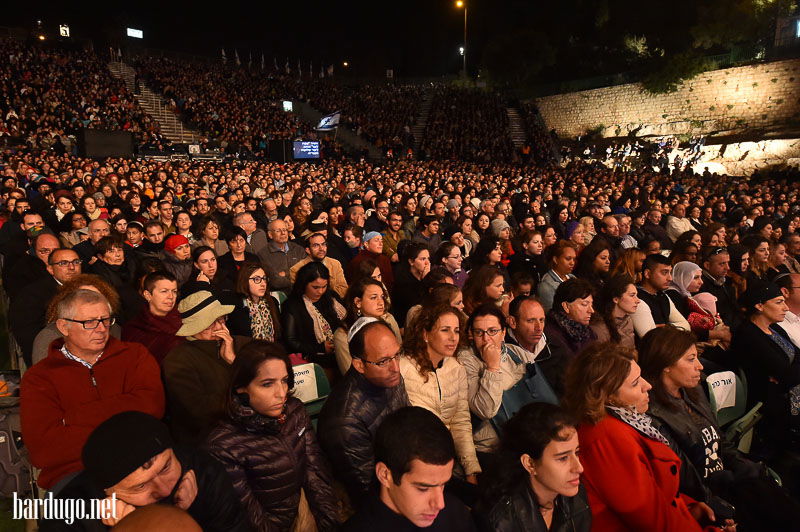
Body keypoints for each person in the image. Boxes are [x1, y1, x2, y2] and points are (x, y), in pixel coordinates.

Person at [639, 326, 800, 531]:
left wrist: (745, 468)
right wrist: (725, 499)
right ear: (665, 364)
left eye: (697, 357)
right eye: (690, 359)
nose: (699, 366)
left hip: (729, 481)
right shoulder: (654, 415)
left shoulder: (692, 391)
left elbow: (721, 442)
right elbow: (687, 478)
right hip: (711, 497)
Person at [564, 343, 733, 531]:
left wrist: (688, 506)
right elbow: (650, 520)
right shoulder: (607, 437)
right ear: (607, 395)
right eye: (636, 383)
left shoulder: (623, 420)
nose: (648, 385)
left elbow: (657, 495)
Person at [20, 289, 165, 490]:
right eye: (89, 322)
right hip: (74, 475)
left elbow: (151, 407)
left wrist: (74, 417)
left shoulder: (135, 355)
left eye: (105, 320)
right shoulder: (39, 378)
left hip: (141, 463)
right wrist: (124, 425)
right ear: (64, 326)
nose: (101, 329)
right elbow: (43, 450)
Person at [206, 340, 339, 531]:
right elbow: (249, 516)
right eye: (267, 384)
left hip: (301, 510)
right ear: (241, 387)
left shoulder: (294, 411)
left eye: (284, 380)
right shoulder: (224, 446)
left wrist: (328, 522)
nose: (281, 393)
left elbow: (314, 469)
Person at [42, 411, 249, 531]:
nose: (165, 489)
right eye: (141, 485)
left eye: (166, 467)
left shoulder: (203, 470)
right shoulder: (67, 515)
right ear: (108, 492)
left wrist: (192, 512)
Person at [318, 318, 409, 503]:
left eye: (397, 355)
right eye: (383, 361)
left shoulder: (388, 377)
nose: (396, 368)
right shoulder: (344, 421)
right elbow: (366, 491)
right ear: (359, 364)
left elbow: (409, 426)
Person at [342, 406, 477, 531]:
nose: (440, 503)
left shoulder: (457, 515)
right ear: (384, 475)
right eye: (423, 489)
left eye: (443, 485)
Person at [474, 403, 591, 532]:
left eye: (577, 453)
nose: (579, 468)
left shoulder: (576, 494)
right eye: (563, 458)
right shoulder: (499, 521)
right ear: (529, 463)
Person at [458, 303, 557, 455]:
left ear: (503, 333)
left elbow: (542, 395)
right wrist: (492, 367)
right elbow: (486, 410)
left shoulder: (516, 353)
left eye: (492, 331)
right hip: (493, 448)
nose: (486, 339)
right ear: (471, 334)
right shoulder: (466, 361)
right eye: (479, 332)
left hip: (527, 438)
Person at [399, 304, 481, 482]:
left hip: (450, 457)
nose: (453, 338)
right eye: (445, 330)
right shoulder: (404, 369)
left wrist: (471, 469)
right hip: (418, 461)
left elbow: (461, 422)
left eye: (457, 331)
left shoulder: (457, 368)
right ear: (425, 334)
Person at [163, 290, 250, 444]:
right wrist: (242, 393)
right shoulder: (178, 360)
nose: (219, 327)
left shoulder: (242, 344)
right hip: (210, 439)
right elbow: (198, 410)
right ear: (193, 328)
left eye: (222, 319)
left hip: (248, 427)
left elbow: (265, 381)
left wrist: (233, 361)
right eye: (210, 323)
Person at [729, 281, 800, 458]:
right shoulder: (748, 334)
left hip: (787, 392)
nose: (785, 307)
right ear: (759, 305)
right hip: (770, 403)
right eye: (778, 302)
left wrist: (786, 372)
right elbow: (786, 375)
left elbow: (794, 362)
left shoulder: (773, 328)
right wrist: (786, 373)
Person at [282, 261, 346, 371]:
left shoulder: (331, 297)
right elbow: (291, 341)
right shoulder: (292, 305)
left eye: (324, 286)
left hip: (340, 350)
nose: (320, 291)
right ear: (304, 284)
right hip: (314, 359)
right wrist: (320, 347)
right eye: (315, 287)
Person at [333, 277, 401, 375]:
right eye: (373, 297)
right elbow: (350, 373)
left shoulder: (389, 319)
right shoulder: (342, 335)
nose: (381, 302)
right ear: (358, 302)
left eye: (382, 297)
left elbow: (399, 354)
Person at [122, 271, 183, 365]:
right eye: (164, 291)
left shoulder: (184, 321)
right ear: (148, 295)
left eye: (174, 291)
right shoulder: (133, 329)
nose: (171, 297)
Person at [665, 261, 731, 346]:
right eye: (695, 277)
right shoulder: (674, 296)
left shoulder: (683, 294)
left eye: (700, 277)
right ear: (682, 277)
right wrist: (719, 334)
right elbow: (686, 330)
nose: (701, 282)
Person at [632, 253, 691, 338]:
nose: (670, 278)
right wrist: (671, 327)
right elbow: (650, 337)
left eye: (670, 272)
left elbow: (686, 326)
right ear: (647, 274)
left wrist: (665, 327)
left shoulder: (663, 295)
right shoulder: (635, 298)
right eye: (664, 272)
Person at [226, 261, 282, 342]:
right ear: (244, 280)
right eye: (257, 279)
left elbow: (279, 335)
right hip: (248, 352)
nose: (263, 284)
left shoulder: (272, 301)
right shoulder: (236, 306)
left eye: (264, 279)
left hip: (272, 350)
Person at [543, 278, 597, 361]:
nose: (591, 310)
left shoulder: (589, 332)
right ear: (566, 306)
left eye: (591, 305)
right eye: (584, 304)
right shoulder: (551, 337)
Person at [289, 232, 349, 299]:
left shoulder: (335, 264)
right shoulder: (296, 269)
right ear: (308, 250)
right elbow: (301, 296)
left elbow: (343, 290)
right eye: (316, 245)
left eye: (323, 244)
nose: (321, 249)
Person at [590, 274, 639, 349]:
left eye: (636, 295)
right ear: (616, 299)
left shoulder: (628, 320)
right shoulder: (599, 328)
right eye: (632, 295)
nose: (638, 301)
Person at [260, 218, 306, 293]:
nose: (283, 233)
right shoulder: (263, 254)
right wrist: (296, 275)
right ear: (270, 235)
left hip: (302, 293)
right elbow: (275, 282)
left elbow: (306, 274)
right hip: (280, 296)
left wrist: (286, 273)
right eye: (278, 231)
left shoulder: (298, 249)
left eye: (284, 230)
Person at [391, 242, 430, 327]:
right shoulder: (402, 283)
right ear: (411, 262)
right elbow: (415, 307)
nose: (427, 263)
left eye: (428, 258)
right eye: (423, 259)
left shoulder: (430, 276)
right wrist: (425, 281)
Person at [537, 240, 577, 312]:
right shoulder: (546, 286)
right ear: (555, 259)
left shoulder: (572, 277)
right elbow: (551, 314)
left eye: (574, 259)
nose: (572, 263)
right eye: (568, 259)